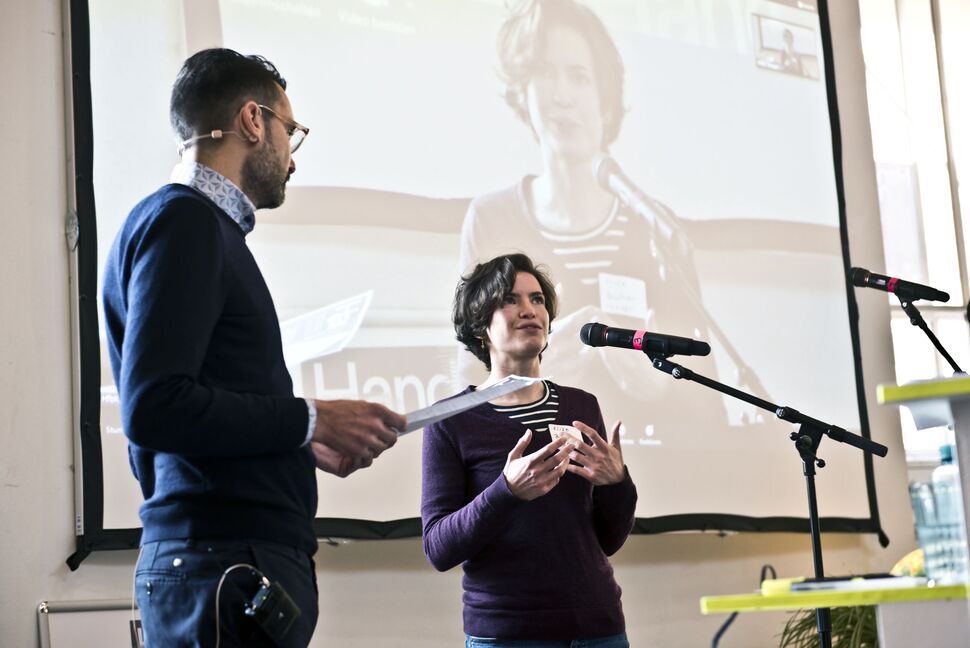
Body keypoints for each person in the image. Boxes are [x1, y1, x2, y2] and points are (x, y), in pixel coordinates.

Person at [102, 48, 405, 648]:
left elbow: (198, 399)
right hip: (219, 562)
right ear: (251, 121)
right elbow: (156, 405)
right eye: (290, 131)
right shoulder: (183, 223)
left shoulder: (191, 226)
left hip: (224, 562)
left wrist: (299, 441)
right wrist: (312, 416)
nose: (292, 156)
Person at [459, 0, 725, 448]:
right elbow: (468, 375)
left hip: (655, 473)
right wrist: (522, 369)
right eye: (545, 73)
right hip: (534, 466)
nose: (561, 94)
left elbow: (705, 392)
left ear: (606, 99)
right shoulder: (491, 219)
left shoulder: (654, 226)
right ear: (524, 92)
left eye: (579, 77)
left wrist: (659, 382)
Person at [422, 253, 637, 647]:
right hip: (509, 633)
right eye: (510, 299)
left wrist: (617, 483)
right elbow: (438, 548)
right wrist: (506, 491)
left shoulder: (581, 406)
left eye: (537, 300)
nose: (529, 310)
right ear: (479, 325)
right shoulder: (450, 420)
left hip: (598, 626)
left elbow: (607, 540)